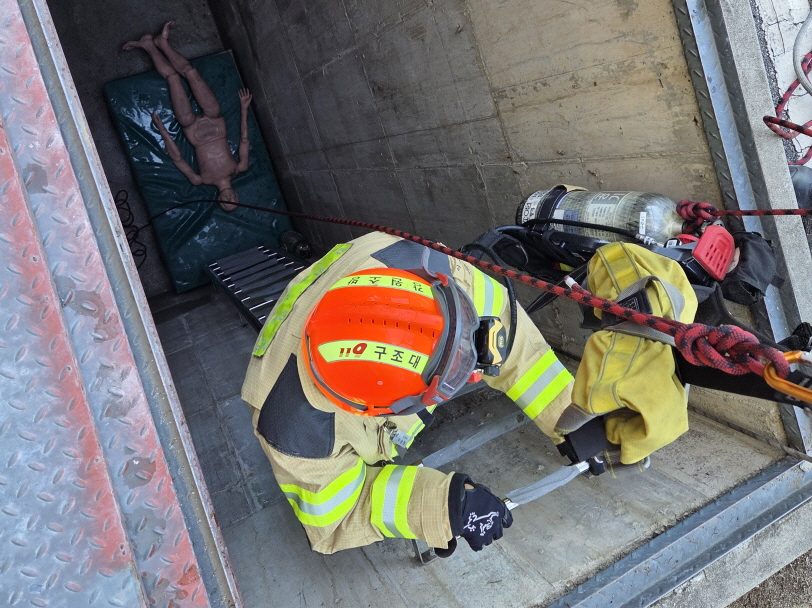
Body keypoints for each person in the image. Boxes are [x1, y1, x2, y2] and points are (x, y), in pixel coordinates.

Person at [241, 232, 575, 555]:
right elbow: (340, 517)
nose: (475, 373)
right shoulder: (295, 433)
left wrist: (570, 414)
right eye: (455, 372)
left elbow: (505, 329)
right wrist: (443, 506)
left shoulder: (424, 267)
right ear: (378, 409)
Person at [123, 22, 251, 212]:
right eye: (233, 201)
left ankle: (148, 45)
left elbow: (178, 158)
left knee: (173, 78)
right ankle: (163, 43)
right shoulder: (240, 167)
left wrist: (163, 131)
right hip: (215, 119)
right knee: (191, 72)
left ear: (219, 200)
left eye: (225, 204)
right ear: (237, 196)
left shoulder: (201, 180)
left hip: (191, 127)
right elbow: (244, 140)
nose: (229, 199)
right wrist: (243, 109)